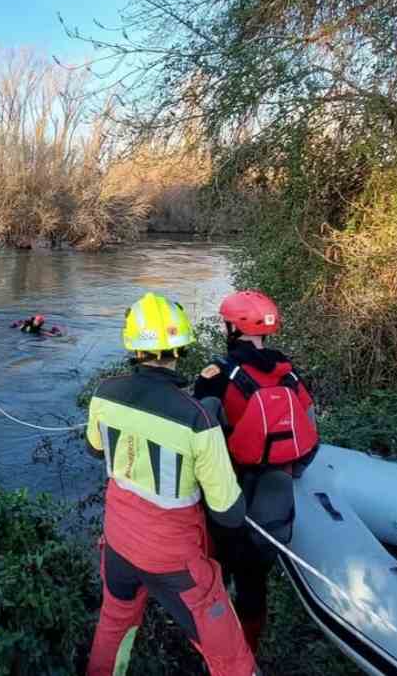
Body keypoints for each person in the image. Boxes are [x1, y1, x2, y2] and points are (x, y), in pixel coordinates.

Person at [85, 292, 259, 676]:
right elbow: (229, 513)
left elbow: (96, 449)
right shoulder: (197, 418)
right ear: (179, 349)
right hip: (175, 561)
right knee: (230, 657)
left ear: (134, 346)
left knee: (113, 628)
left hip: (117, 545)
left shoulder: (103, 392)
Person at [194, 290, 318, 654]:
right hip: (275, 499)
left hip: (228, 496)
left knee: (217, 575)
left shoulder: (216, 375)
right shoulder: (290, 375)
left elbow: (198, 434)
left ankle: (215, 651)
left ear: (232, 327)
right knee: (254, 586)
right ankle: (249, 652)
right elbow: (309, 436)